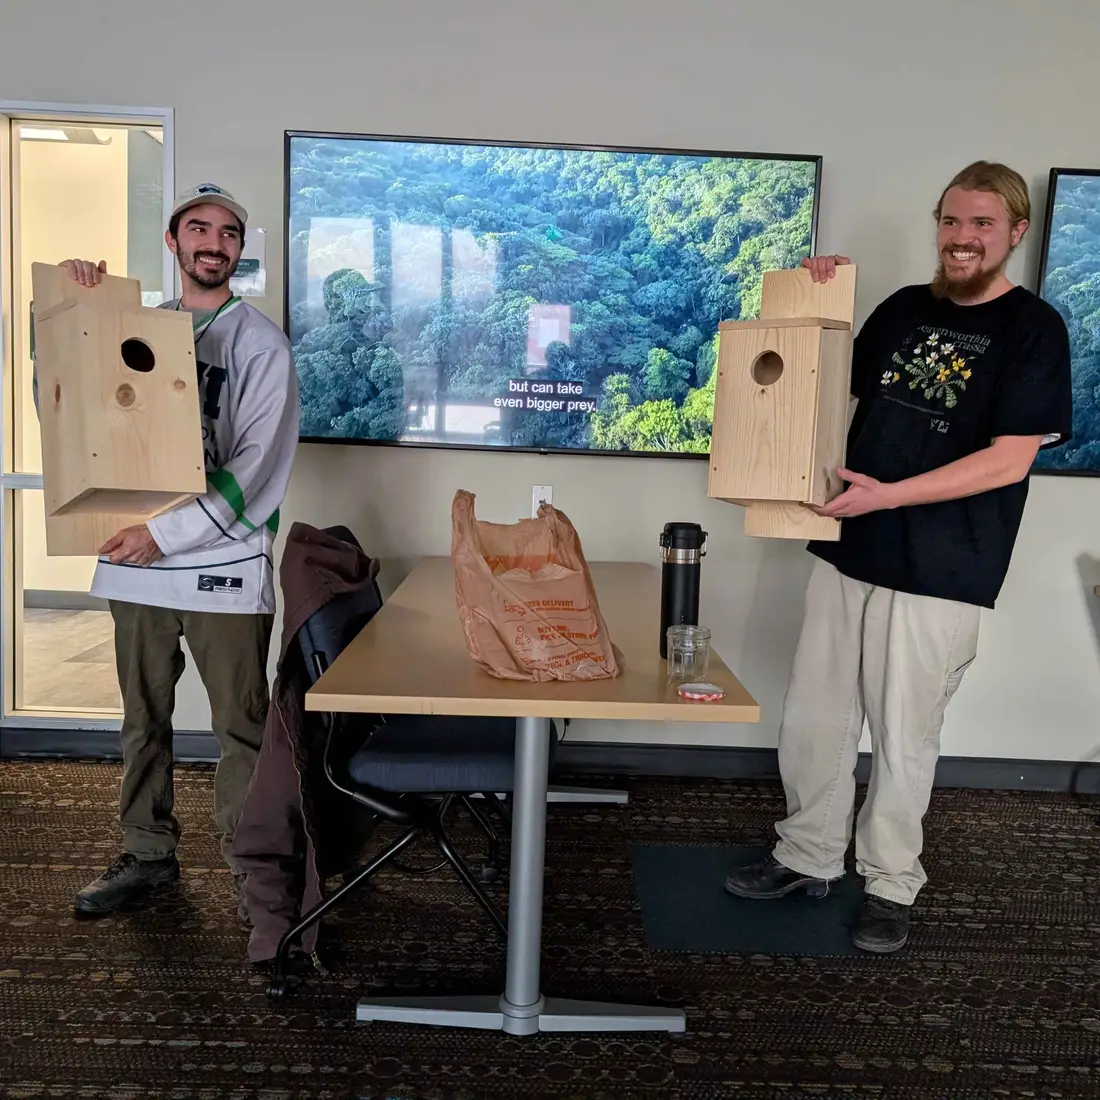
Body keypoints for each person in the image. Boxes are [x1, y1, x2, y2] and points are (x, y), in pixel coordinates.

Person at [723, 161, 1073, 953]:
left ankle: (889, 881)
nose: (962, 238)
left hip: (948, 564)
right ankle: (807, 854)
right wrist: (809, 297)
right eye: (952, 221)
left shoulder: (1033, 328)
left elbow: (1009, 460)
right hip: (851, 544)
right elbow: (818, 382)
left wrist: (889, 495)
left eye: (982, 224)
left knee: (904, 730)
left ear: (1014, 232)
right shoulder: (905, 309)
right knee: (815, 715)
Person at [52, 184, 300, 918]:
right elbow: (67, 392)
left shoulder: (260, 345)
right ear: (173, 240)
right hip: (137, 565)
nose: (214, 242)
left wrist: (163, 534)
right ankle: (147, 853)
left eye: (228, 232)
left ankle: (256, 872)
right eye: (199, 228)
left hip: (220, 564)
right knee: (142, 719)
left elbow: (256, 465)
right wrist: (73, 301)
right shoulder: (132, 327)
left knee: (242, 725)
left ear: (239, 250)